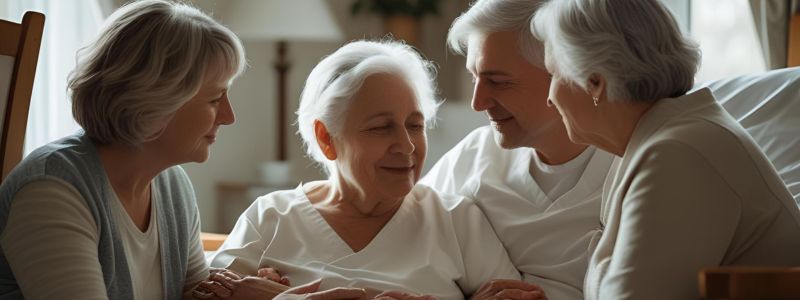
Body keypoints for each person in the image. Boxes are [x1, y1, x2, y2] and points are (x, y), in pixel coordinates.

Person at [201, 40, 533, 300]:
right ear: (326, 138)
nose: (406, 146)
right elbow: (209, 294)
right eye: (381, 128)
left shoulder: (457, 220)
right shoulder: (271, 217)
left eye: (415, 125)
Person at [531, 0, 800, 299]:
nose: (549, 99)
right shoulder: (664, 139)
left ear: (594, 83)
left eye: (553, 75)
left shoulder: (678, 154)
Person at [0, 1, 246, 298]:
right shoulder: (51, 192)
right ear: (154, 101)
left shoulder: (173, 186)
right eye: (215, 99)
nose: (229, 116)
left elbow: (194, 292)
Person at [420, 1, 616, 299]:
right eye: (474, 77)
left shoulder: (631, 168)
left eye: (498, 82)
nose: (478, 103)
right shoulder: (474, 156)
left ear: (564, 73)